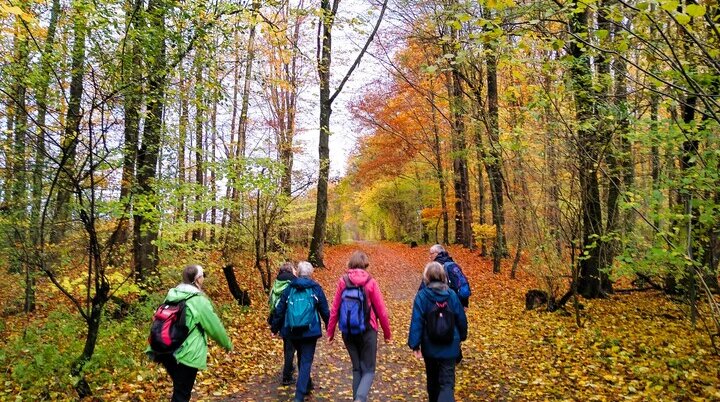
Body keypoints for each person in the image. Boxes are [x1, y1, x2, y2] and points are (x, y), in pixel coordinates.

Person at [149, 264, 233, 402]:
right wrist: (227, 344)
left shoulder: (172, 295)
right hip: (186, 354)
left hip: (166, 351)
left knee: (180, 390)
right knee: (182, 394)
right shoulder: (198, 300)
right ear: (198, 279)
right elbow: (215, 327)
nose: (203, 279)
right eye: (202, 276)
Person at [327, 250, 392, 402]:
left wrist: (330, 332)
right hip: (368, 330)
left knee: (357, 368)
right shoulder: (371, 282)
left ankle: (358, 398)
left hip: (348, 331)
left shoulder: (343, 281)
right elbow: (382, 311)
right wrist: (387, 333)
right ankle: (360, 399)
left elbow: (335, 308)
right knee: (368, 370)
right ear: (365, 265)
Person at [408, 262, 468, 402]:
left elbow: (417, 321)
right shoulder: (452, 295)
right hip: (450, 345)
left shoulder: (422, 296)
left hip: (430, 347)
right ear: (443, 276)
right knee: (447, 384)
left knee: (433, 382)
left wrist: (415, 345)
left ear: (426, 277)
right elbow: (461, 318)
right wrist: (462, 336)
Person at [271, 261, 330, 402]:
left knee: (301, 357)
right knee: (306, 361)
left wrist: (274, 328)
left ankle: (307, 385)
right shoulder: (315, 288)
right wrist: (330, 328)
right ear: (310, 274)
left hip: (291, 330)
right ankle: (299, 396)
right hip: (310, 331)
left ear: (298, 272)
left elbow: (280, 309)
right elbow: (325, 310)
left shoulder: (290, 288)